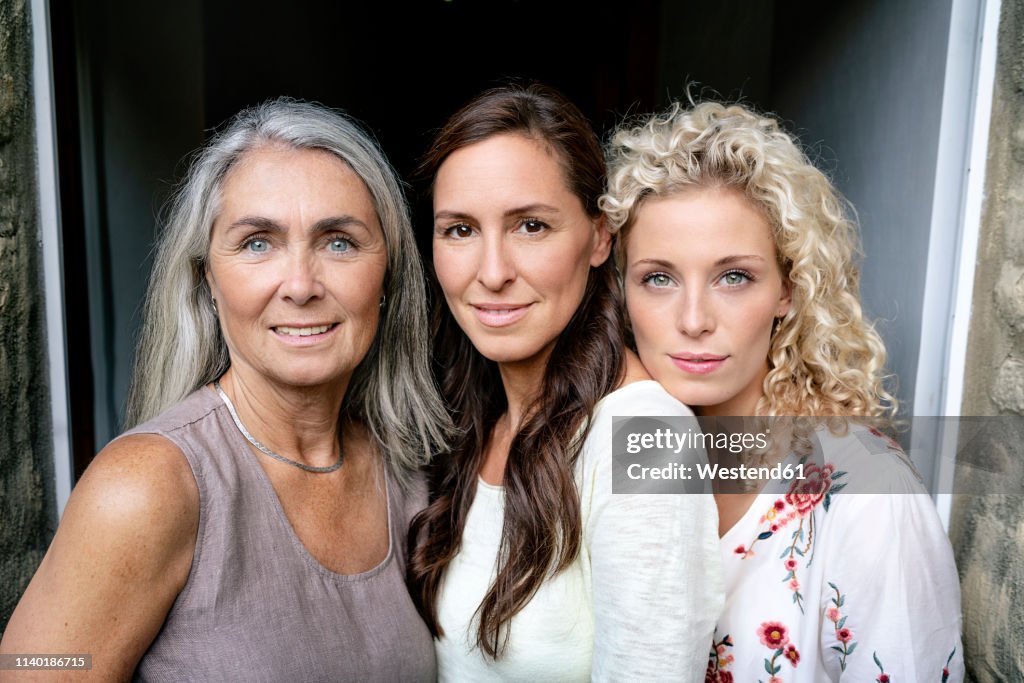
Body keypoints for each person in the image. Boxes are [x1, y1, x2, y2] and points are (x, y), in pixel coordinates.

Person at [0, 98, 450, 681]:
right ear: (207, 278)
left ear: (388, 273)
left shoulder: (410, 471)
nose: (300, 285)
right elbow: (32, 667)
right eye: (258, 242)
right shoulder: (147, 485)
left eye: (338, 240)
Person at [601, 100, 964, 681]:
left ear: (788, 290)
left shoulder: (869, 498)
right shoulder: (620, 452)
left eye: (734, 276)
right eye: (659, 278)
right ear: (622, 293)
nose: (693, 319)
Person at [407, 83, 723, 682]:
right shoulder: (472, 420)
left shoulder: (645, 434)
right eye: (460, 230)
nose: (492, 272)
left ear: (599, 236)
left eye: (530, 226)